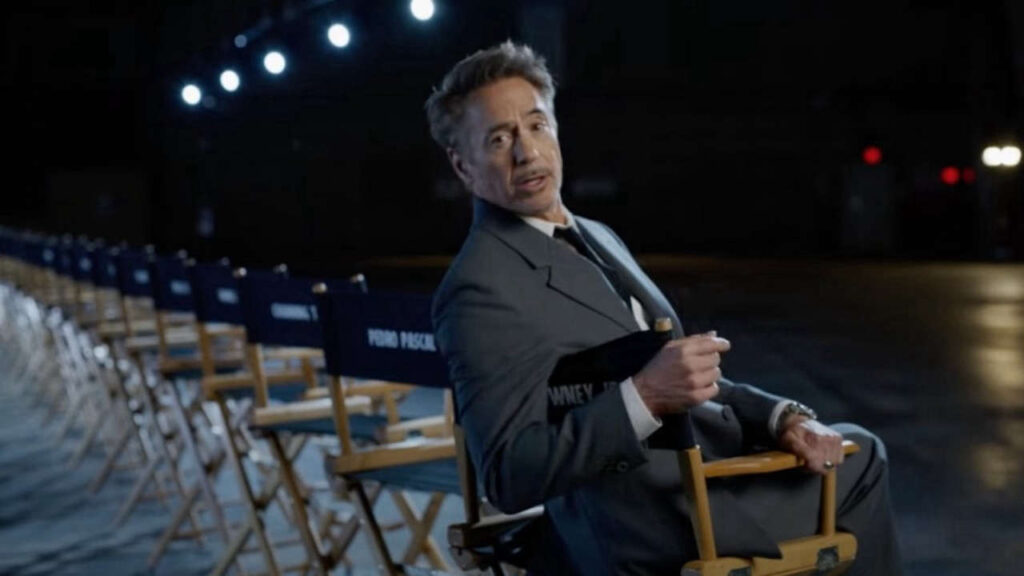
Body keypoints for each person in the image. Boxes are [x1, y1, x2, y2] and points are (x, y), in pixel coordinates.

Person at [429, 41, 901, 575]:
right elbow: (508, 475)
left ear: (556, 128)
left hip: (694, 483)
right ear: (463, 166)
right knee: (865, 458)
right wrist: (645, 395)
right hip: (652, 523)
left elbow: (681, 377)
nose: (526, 152)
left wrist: (780, 416)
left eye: (536, 125)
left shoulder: (595, 234)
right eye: (498, 139)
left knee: (843, 445)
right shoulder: (480, 288)